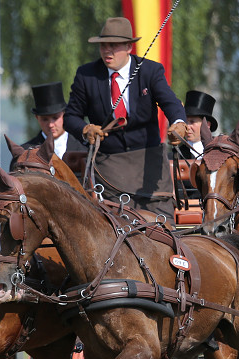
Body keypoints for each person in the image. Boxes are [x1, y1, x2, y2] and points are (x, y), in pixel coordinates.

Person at [64, 16, 187, 219]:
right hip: (109, 167)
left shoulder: (150, 71)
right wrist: (85, 130)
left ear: (129, 47)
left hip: (149, 163)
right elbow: (70, 117)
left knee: (162, 230)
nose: (107, 51)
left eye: (114, 45)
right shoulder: (86, 75)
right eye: (103, 46)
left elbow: (171, 103)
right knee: (116, 231)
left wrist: (179, 124)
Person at [20, 82, 87, 160]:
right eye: (45, 119)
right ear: (37, 118)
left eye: (55, 118)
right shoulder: (24, 153)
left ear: (65, 114)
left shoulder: (84, 149)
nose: (50, 125)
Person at [180, 90, 218, 160]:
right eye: (185, 121)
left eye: (192, 122)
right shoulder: (175, 155)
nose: (187, 127)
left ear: (207, 125)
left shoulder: (219, 154)